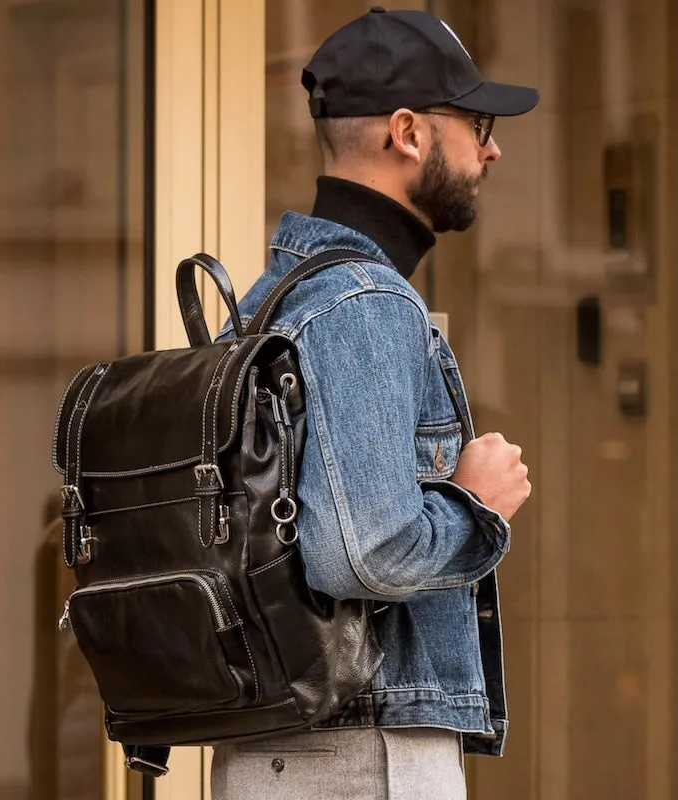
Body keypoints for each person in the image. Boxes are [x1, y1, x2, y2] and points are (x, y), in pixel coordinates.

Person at [212, 7, 537, 799]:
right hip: (363, 753)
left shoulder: (267, 299)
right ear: (408, 132)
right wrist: (475, 506)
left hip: (286, 745)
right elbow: (363, 551)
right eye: (477, 121)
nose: (490, 147)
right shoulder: (364, 301)